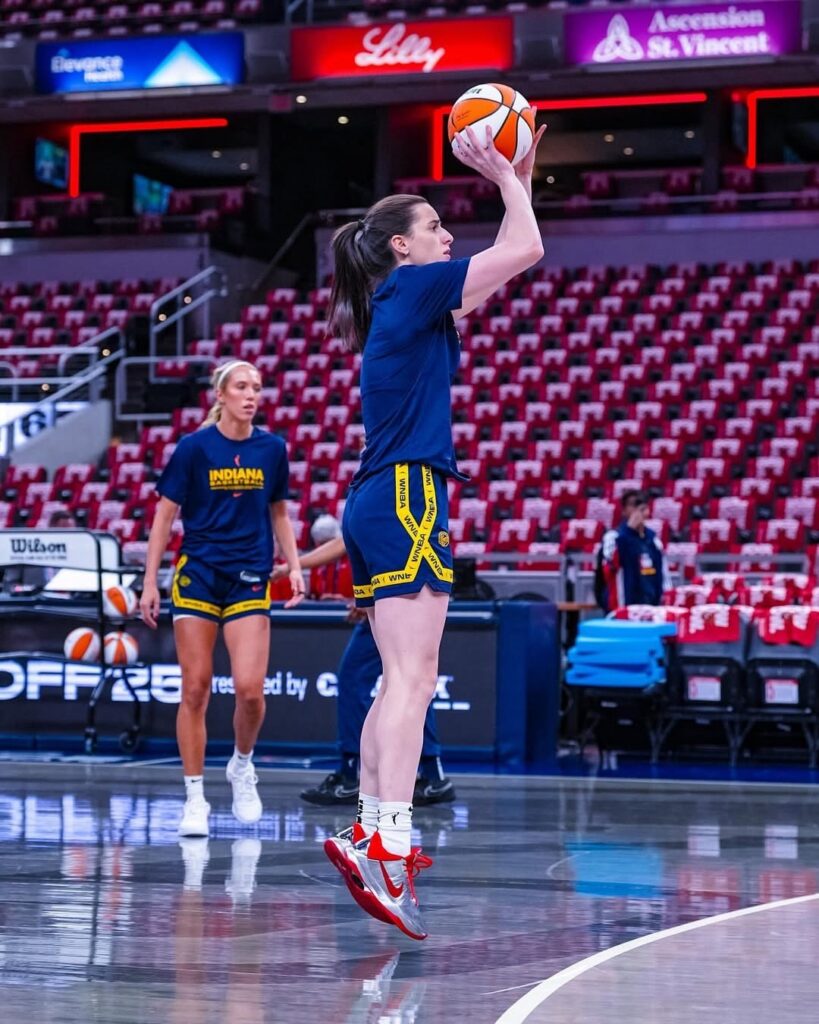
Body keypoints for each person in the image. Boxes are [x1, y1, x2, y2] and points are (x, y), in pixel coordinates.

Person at [322, 119, 545, 940]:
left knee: (396, 680)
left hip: (375, 498)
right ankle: (388, 842)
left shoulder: (403, 301)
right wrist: (503, 178)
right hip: (408, 494)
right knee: (414, 681)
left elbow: (501, 267)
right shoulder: (412, 288)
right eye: (436, 227)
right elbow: (526, 248)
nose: (449, 237)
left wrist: (519, 172)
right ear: (400, 247)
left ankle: (369, 830)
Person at [139, 359, 304, 838]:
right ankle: (195, 798)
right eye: (242, 387)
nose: (252, 395)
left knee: (250, 691)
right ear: (221, 395)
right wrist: (149, 581)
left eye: (257, 387)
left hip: (249, 575)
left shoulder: (272, 448)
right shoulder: (194, 448)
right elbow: (164, 517)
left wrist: (294, 565)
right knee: (195, 688)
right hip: (199, 574)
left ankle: (242, 765)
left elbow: (279, 512)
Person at [272, 534, 456, 807]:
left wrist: (367, 595)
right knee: (408, 681)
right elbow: (352, 537)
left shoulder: (386, 509)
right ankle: (431, 773)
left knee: (377, 679)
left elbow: (352, 539)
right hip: (399, 585)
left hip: (401, 588)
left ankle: (353, 775)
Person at [598, 489, 671, 612]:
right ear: (624, 511)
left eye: (641, 505)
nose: (637, 510)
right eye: (633, 505)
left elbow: (664, 576)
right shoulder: (613, 537)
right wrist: (629, 530)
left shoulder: (654, 540)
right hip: (622, 609)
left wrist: (665, 602)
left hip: (651, 609)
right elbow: (609, 568)